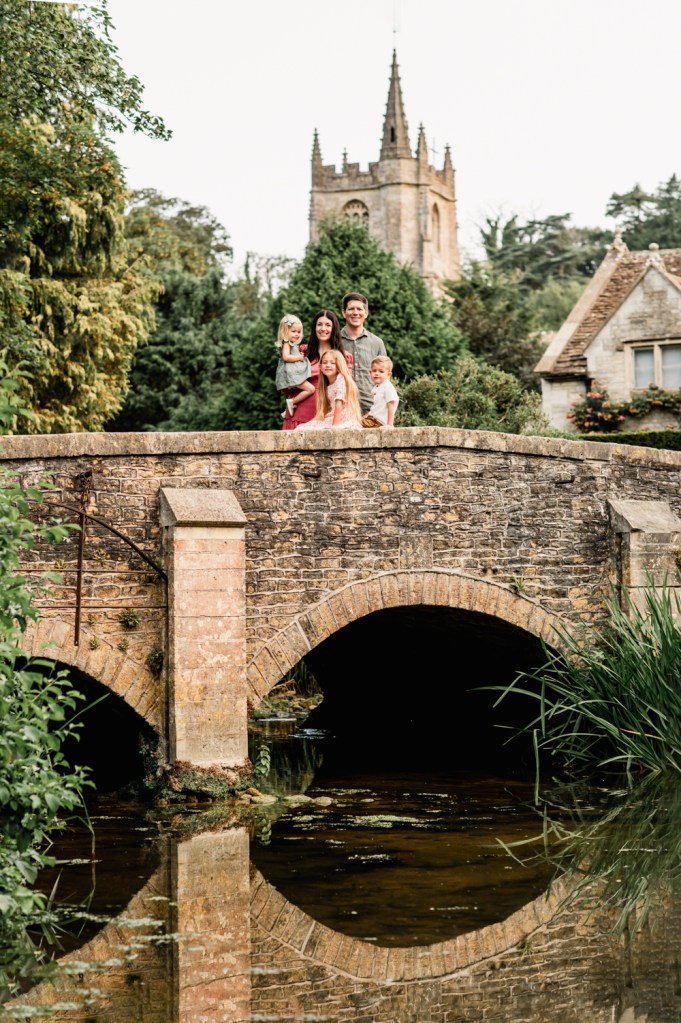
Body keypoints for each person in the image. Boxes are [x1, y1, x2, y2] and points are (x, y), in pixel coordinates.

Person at [282, 310, 352, 430]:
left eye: (328, 325)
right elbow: (285, 380)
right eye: (319, 324)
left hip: (328, 413)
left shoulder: (344, 357)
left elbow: (346, 389)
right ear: (314, 327)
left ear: (334, 328)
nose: (323, 328)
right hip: (300, 411)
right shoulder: (302, 352)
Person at [340, 292, 387, 414]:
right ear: (343, 312)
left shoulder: (377, 343)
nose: (355, 313)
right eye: (351, 309)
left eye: (359, 309)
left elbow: (384, 378)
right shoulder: (334, 341)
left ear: (366, 313)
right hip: (341, 408)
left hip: (371, 408)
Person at [297, 349, 362, 431]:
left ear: (339, 366)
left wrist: (334, 427)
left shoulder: (341, 380)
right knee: (303, 428)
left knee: (306, 429)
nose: (328, 365)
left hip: (342, 419)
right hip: (333, 417)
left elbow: (339, 405)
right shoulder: (327, 385)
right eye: (325, 362)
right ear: (320, 367)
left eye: (332, 363)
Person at [274, 314, 314, 418]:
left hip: (293, 373)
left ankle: (287, 409)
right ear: (285, 331)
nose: (296, 334)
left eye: (299, 332)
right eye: (293, 331)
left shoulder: (291, 343)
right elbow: (286, 357)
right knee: (311, 389)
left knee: (303, 389)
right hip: (292, 374)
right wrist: (299, 358)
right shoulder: (287, 343)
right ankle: (291, 402)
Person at [361, 355, 399, 429]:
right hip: (373, 419)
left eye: (381, 371)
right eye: (374, 371)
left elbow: (391, 405)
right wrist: (366, 416)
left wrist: (389, 424)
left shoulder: (387, 387)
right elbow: (376, 407)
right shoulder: (378, 387)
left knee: (353, 424)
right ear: (370, 372)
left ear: (388, 374)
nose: (377, 373)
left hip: (378, 421)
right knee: (355, 421)